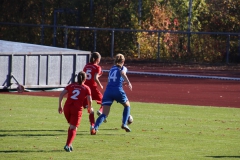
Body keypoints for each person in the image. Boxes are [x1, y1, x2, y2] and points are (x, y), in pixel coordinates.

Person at [91, 53, 133, 135]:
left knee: (105, 114)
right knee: (127, 105)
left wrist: (121, 83)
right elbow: (122, 73)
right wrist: (128, 83)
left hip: (108, 91)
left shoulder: (111, 69)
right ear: (123, 61)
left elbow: (111, 80)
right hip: (118, 91)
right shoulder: (123, 67)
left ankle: (94, 128)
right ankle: (124, 124)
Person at [58, 71, 92, 152]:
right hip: (76, 109)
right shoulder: (86, 88)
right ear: (85, 79)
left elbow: (61, 94)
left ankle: (69, 143)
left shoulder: (71, 85)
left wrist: (60, 106)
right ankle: (67, 145)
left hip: (67, 107)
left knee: (71, 126)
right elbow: (89, 100)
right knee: (74, 127)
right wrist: (89, 108)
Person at [83, 52, 106, 132]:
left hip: (85, 88)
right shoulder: (97, 67)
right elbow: (95, 78)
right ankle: (100, 110)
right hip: (92, 88)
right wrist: (100, 85)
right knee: (104, 101)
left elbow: (85, 76)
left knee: (90, 108)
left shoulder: (86, 66)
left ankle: (92, 125)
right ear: (97, 59)